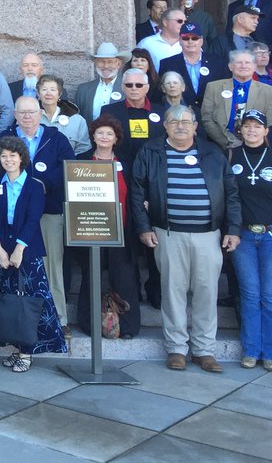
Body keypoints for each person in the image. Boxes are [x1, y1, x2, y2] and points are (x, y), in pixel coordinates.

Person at [130, 105, 240, 372]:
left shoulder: (212, 153)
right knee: (173, 291)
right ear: (165, 126)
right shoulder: (151, 152)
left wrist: (234, 229)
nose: (180, 126)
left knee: (206, 292)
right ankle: (176, 349)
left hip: (208, 235)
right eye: (174, 121)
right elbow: (136, 191)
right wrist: (144, 227)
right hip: (168, 234)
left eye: (186, 121)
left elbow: (231, 194)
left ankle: (204, 351)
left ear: (195, 126)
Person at [0, 136, 68, 372]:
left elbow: (32, 219)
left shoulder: (35, 186)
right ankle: (16, 349)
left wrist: (18, 249)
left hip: (26, 252)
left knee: (28, 303)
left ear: (22, 158)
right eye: (4, 156)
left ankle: (26, 353)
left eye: (12, 155)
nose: (8, 160)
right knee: (8, 303)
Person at [0, 96, 75, 334]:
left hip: (48, 212)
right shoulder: (5, 138)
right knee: (16, 266)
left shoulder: (56, 138)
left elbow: (68, 169)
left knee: (51, 265)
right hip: (13, 217)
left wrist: (41, 184)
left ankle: (58, 319)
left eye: (32, 112)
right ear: (15, 114)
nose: (28, 117)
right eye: (23, 113)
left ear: (41, 113)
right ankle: (19, 319)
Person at [73, 115, 142, 339]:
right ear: (93, 136)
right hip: (90, 229)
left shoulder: (126, 163)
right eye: (100, 133)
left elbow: (135, 193)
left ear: (116, 138)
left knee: (124, 277)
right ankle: (89, 323)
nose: (104, 137)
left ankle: (129, 327)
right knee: (90, 277)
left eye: (109, 134)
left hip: (121, 230)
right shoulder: (81, 160)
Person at [230, 110, 272, 370]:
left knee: (269, 295)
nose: (252, 130)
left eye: (257, 126)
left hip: (270, 234)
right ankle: (250, 349)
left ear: (266, 131)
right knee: (249, 293)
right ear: (241, 130)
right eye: (247, 126)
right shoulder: (231, 156)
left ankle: (269, 351)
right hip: (243, 235)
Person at [200, 50, 272, 152]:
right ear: (230, 66)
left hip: (254, 146)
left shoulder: (268, 91)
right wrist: (226, 141)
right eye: (239, 62)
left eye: (247, 62)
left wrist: (249, 141)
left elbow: (269, 121)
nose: (243, 66)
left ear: (255, 67)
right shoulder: (213, 87)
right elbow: (207, 118)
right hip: (220, 146)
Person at [159, 21, 226, 107]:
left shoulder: (217, 62)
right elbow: (162, 92)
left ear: (201, 41)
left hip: (211, 113)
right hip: (179, 114)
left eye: (194, 38)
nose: (190, 41)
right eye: (185, 38)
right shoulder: (167, 64)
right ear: (179, 40)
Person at [74, 42, 130, 122]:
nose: (106, 66)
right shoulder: (83, 90)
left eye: (110, 61)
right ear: (95, 63)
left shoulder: (129, 87)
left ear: (118, 64)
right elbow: (78, 119)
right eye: (101, 61)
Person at [37, 74, 90, 155]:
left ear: (59, 94)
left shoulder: (77, 120)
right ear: (38, 93)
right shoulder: (29, 117)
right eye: (44, 89)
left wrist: (68, 163)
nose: (48, 93)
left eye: (53, 90)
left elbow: (83, 148)